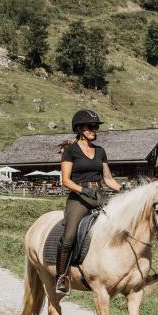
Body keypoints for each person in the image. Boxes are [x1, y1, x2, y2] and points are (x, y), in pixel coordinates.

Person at [56, 109, 121, 294]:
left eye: (95, 127)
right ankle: (62, 276)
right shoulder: (70, 152)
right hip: (78, 197)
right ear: (79, 129)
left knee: (122, 224)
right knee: (69, 236)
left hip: (99, 194)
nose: (94, 130)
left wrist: (123, 190)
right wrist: (84, 190)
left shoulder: (100, 151)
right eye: (91, 127)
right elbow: (66, 180)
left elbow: (108, 179)